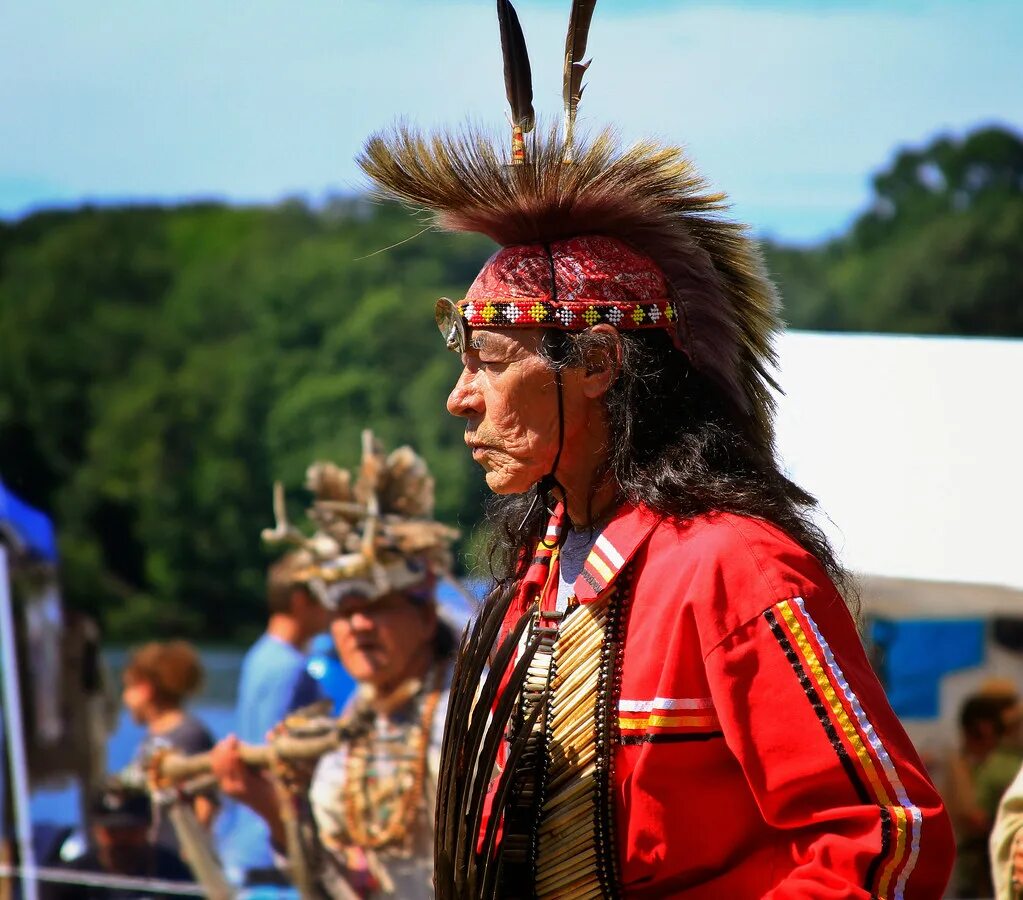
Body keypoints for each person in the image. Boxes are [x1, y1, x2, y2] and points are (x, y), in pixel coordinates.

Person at [357, 2, 955, 895]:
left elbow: (883, 839)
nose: (459, 399)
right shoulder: (535, 573)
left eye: (488, 362)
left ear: (596, 362)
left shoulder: (736, 568)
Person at [210, 435, 459, 899]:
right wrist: (269, 807)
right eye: (343, 610)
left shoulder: (470, 720)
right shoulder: (349, 730)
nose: (358, 625)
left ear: (426, 617)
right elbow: (343, 885)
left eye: (377, 605)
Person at [218, 548, 331, 886]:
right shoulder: (292, 669)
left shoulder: (260, 654)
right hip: (273, 839)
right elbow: (278, 757)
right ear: (300, 600)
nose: (333, 608)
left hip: (246, 837)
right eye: (325, 596)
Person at [120, 640, 216, 855]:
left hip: (177, 857)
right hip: (155, 853)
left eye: (128, 687)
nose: (124, 698)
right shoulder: (153, 737)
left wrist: (193, 852)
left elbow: (207, 799)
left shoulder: (188, 734)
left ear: (145, 689)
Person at [42, 777, 194, 899]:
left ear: (148, 827)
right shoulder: (70, 882)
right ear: (96, 830)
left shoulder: (176, 874)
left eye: (131, 831)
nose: (122, 839)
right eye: (113, 831)